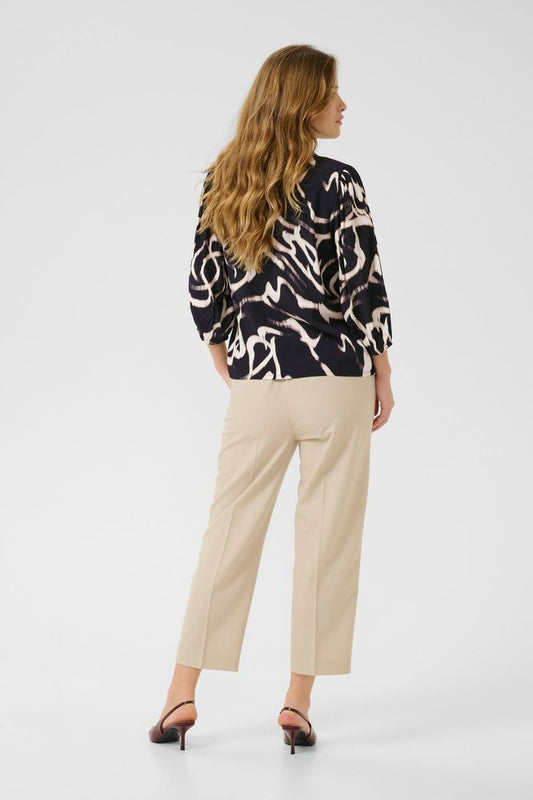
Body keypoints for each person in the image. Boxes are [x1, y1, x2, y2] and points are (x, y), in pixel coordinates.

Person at [149, 43, 395, 754]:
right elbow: (362, 284)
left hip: (257, 381)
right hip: (335, 380)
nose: (342, 105)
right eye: (331, 93)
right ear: (301, 101)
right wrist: (382, 368)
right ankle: (296, 704)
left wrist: (220, 345)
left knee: (227, 534)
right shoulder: (339, 182)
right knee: (326, 540)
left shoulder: (225, 177)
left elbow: (204, 281)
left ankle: (179, 696)